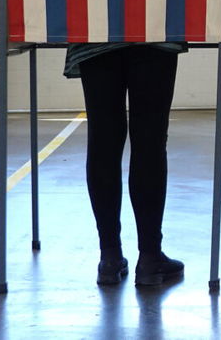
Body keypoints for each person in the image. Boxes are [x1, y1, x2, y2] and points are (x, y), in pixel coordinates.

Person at [63, 42, 187, 286]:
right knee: (150, 140)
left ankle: (109, 256)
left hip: (95, 33)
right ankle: (150, 257)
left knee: (103, 140)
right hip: (155, 31)